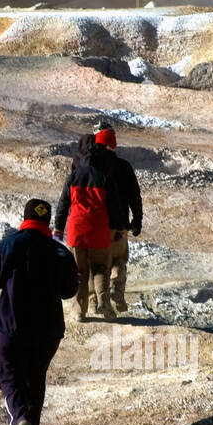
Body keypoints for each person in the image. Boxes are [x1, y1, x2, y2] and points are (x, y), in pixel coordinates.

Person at [0, 198, 78, 425]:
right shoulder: (59, 252)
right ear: (47, 222)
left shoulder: (10, 244)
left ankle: (19, 422)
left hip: (10, 328)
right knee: (35, 377)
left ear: (25, 219)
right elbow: (70, 290)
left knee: (10, 377)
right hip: (47, 332)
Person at [53, 134, 127, 321]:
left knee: (79, 272)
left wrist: (58, 228)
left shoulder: (74, 177)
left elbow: (63, 204)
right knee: (101, 268)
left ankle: (79, 312)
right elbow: (115, 206)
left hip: (76, 229)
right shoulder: (104, 178)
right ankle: (103, 302)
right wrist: (118, 228)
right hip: (99, 230)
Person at [91, 127, 143, 313]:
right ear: (113, 145)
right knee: (119, 259)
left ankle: (98, 300)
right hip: (119, 225)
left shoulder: (91, 166)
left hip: (96, 225)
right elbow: (134, 196)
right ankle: (117, 290)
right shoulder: (124, 166)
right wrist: (137, 219)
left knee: (98, 263)